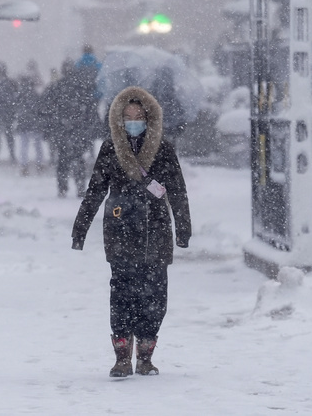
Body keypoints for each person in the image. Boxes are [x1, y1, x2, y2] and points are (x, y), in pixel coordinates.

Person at [71, 85, 191, 378]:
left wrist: (183, 229)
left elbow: (176, 190)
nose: (133, 120)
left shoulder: (163, 148)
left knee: (155, 296)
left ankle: (146, 357)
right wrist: (80, 228)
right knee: (122, 294)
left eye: (138, 115)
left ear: (148, 117)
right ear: (118, 119)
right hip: (120, 229)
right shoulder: (110, 148)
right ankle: (122, 357)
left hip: (156, 230)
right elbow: (95, 190)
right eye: (127, 116)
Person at [41, 60, 95, 197]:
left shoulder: (57, 87)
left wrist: (50, 127)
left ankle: (62, 188)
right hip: (78, 129)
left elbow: (46, 108)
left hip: (62, 129)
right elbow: (90, 109)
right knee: (78, 159)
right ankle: (80, 187)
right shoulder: (81, 88)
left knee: (63, 160)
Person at [14, 63, 46, 175]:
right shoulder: (35, 94)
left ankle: (23, 165)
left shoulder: (20, 94)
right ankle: (40, 163)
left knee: (24, 145)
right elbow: (41, 109)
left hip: (23, 123)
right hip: (35, 123)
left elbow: (15, 107)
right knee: (37, 144)